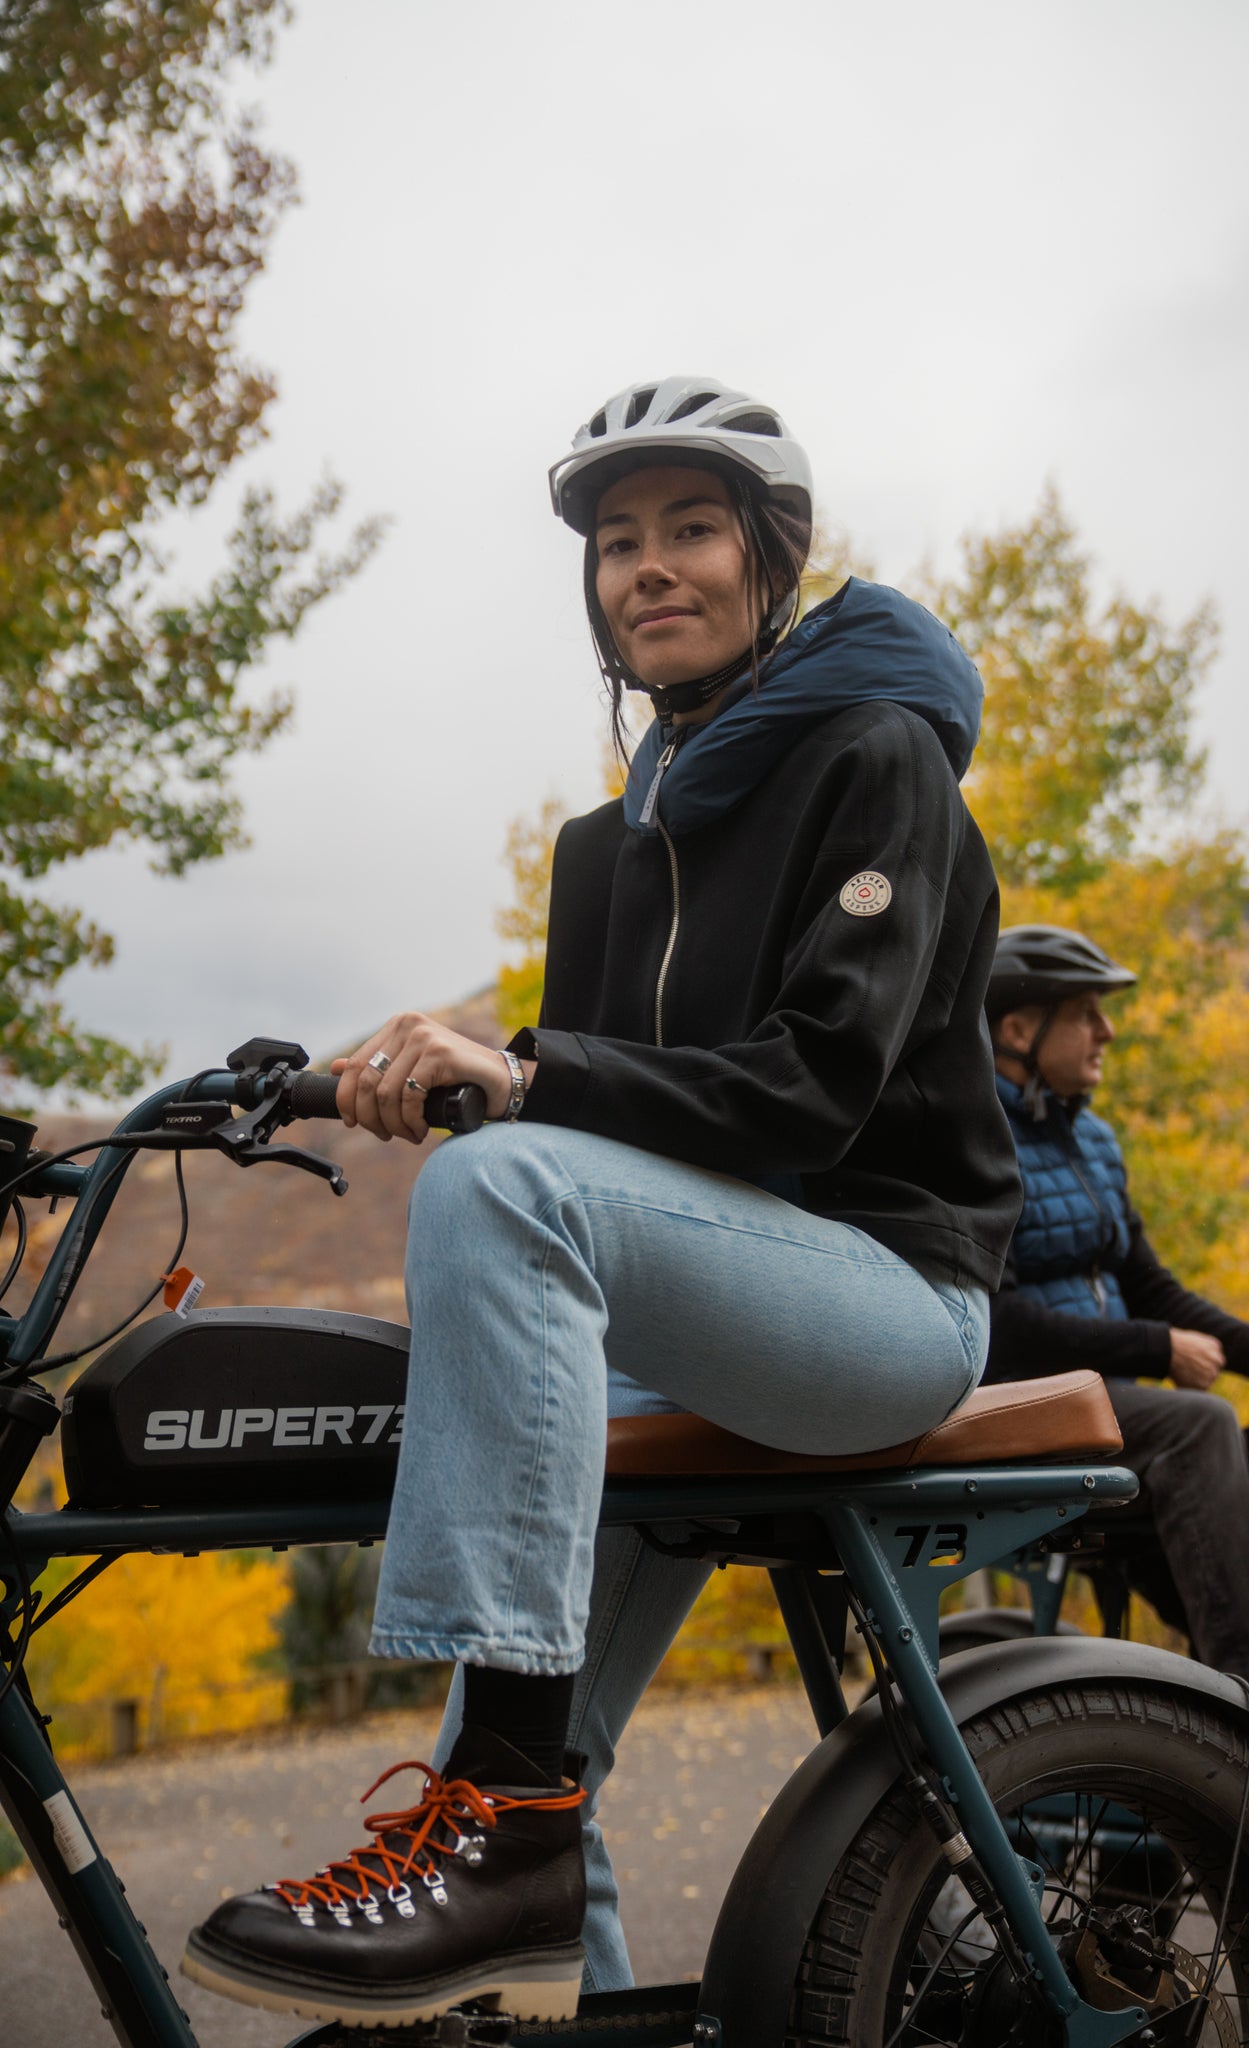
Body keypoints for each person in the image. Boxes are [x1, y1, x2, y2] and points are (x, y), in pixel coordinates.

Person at [183, 376, 1022, 2027]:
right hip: (695, 1318)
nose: (650, 567)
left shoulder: (878, 759)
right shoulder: (601, 845)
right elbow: (603, 1122)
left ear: (770, 557)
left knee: (508, 1179)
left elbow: (803, 1091)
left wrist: (520, 1082)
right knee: (526, 1777)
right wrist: (394, 1080)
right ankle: (516, 1838)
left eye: (692, 528)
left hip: (887, 1297)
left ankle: (504, 1820)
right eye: (617, 541)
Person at [985, 922, 1249, 1715]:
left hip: (1106, 1410)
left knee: (1240, 1450)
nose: (1106, 1031)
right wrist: (1156, 1349)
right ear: (1016, 1029)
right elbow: (997, 1326)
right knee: (1196, 1427)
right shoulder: (975, 1139)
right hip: (1018, 1407)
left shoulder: (1092, 1140)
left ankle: (1212, 1741)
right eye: (1085, 1011)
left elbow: (1148, 1283)